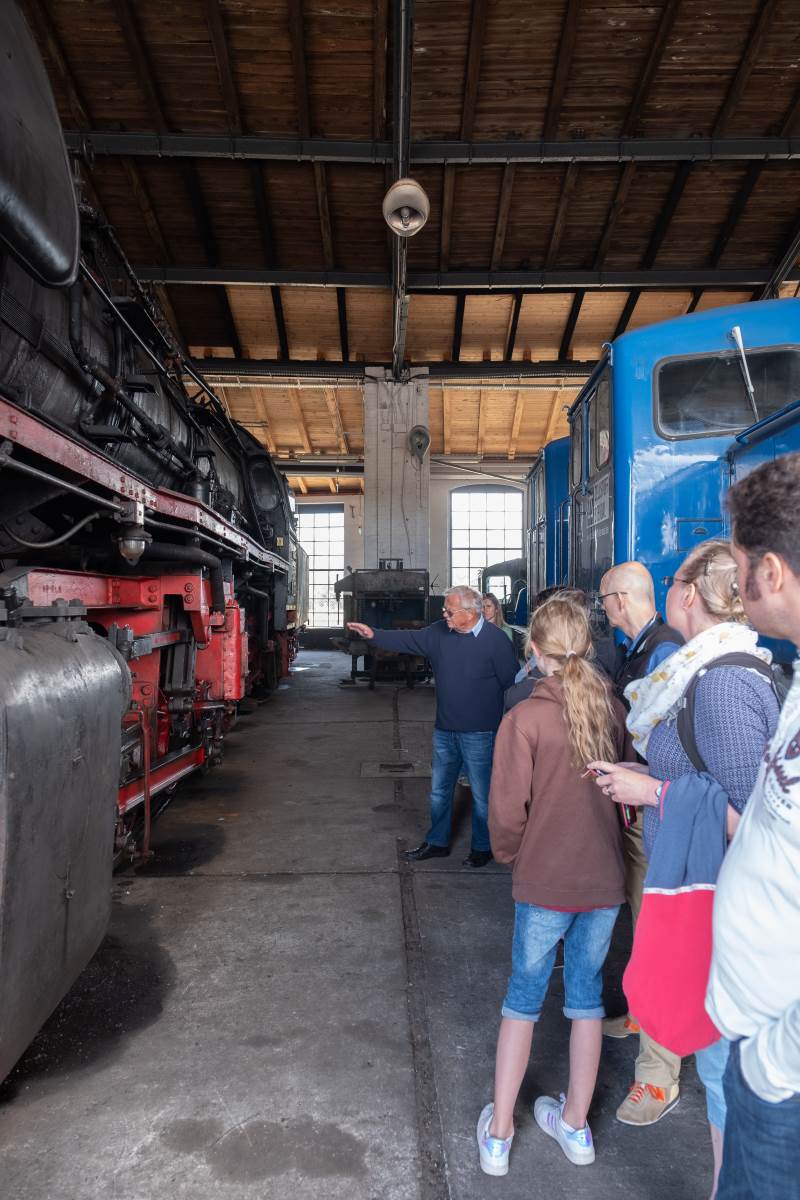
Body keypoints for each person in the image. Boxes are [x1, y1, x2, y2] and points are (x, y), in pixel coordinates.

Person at [588, 539, 780, 1198]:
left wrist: (652, 792)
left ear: (689, 594)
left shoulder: (721, 683)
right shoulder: (702, 668)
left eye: (671, 580)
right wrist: (645, 773)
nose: (665, 589)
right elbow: (704, 768)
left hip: (725, 911)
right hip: (706, 890)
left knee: (728, 1079)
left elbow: (755, 822)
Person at [476, 596, 632, 1174]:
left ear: (533, 650)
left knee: (522, 1000)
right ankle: (574, 1127)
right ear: (587, 647)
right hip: (604, 880)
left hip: (544, 880)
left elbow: (506, 811)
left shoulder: (524, 719)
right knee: (587, 999)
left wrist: (515, 858)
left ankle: (498, 1136)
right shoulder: (613, 708)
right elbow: (626, 793)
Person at [706, 455, 800, 1200]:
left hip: (783, 1084)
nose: (736, 587)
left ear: (770, 572)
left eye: (739, 568)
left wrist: (773, 1064)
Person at [597, 561, 685, 1126]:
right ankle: (640, 1013)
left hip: (659, 812)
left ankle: (658, 1076)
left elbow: (673, 747)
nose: (602, 608)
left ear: (621, 600)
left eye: (604, 598)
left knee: (660, 938)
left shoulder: (664, 652)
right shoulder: (637, 648)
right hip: (640, 807)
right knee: (640, 922)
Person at [347, 585, 518, 868]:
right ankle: (437, 842)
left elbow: (510, 686)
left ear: (470, 613)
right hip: (445, 730)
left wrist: (508, 729)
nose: (444, 615)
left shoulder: (496, 641)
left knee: (482, 795)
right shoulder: (439, 633)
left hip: (481, 733)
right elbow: (408, 639)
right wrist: (373, 634)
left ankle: (482, 846)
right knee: (439, 791)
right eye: (444, 610)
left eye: (449, 611)